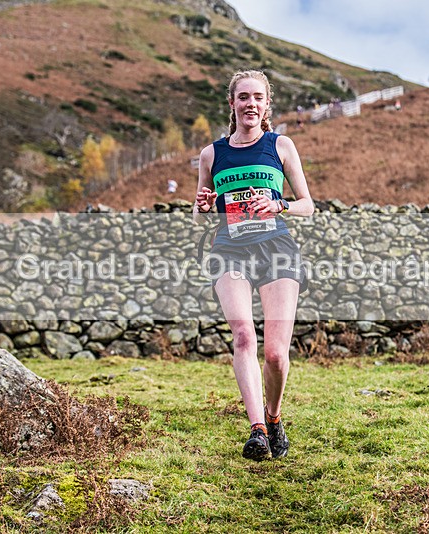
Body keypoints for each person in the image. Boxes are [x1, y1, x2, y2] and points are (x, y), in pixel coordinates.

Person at [193, 70, 314, 461]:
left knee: (276, 354)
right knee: (244, 336)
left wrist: (280, 204)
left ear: (266, 104)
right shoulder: (212, 154)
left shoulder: (280, 146)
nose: (250, 104)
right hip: (229, 249)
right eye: (243, 97)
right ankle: (258, 430)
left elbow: (307, 205)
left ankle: (274, 417)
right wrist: (203, 207)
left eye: (257, 97)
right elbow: (201, 213)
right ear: (232, 104)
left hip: (276, 247)